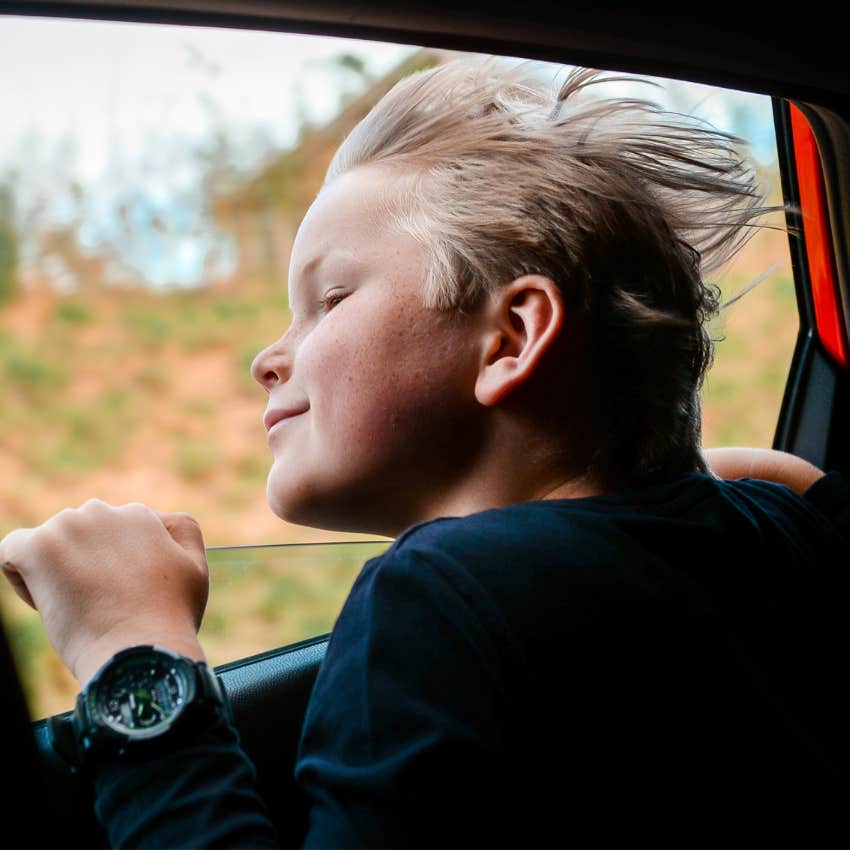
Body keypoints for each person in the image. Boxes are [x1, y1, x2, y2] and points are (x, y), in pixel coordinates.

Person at [1, 58, 848, 848]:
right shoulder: (775, 531)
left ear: (512, 337)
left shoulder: (442, 590)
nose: (268, 357)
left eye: (329, 299)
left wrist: (132, 647)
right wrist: (685, 476)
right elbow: (804, 487)